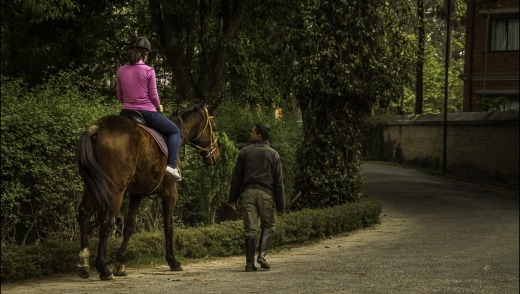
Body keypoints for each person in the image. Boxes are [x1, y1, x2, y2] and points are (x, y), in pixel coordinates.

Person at [116, 36, 182, 181]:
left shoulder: (121, 70)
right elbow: (153, 95)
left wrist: (128, 102)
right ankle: (171, 166)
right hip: (146, 112)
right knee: (174, 131)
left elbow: (119, 95)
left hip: (126, 112)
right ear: (146, 54)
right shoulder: (148, 70)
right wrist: (158, 107)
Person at [228, 123, 285, 272]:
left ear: (259, 136)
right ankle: (262, 256)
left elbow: (237, 178)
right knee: (268, 226)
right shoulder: (273, 154)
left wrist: (232, 198)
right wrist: (281, 206)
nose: (250, 133)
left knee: (250, 229)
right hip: (266, 194)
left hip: (247, 194)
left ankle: (249, 264)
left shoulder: (244, 152)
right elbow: (279, 182)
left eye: (252, 132)